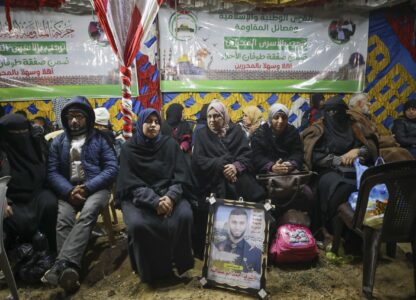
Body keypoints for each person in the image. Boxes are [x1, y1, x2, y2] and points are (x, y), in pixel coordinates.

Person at [42, 96, 118, 292]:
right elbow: (52, 172)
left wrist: (87, 187)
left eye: (79, 116)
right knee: (64, 219)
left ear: (88, 118)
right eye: (70, 117)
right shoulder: (58, 142)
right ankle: (70, 269)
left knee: (89, 212)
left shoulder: (100, 139)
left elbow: (111, 168)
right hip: (68, 190)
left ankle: (61, 264)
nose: (74, 121)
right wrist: (69, 190)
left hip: (96, 189)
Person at [116, 108, 194, 283]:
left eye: (156, 122)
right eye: (148, 121)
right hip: (139, 198)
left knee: (184, 215)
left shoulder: (170, 145)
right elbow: (130, 183)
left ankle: (178, 261)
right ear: (140, 123)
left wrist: (171, 197)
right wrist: (154, 201)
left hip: (168, 193)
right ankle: (153, 271)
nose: (153, 125)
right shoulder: (129, 149)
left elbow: (180, 176)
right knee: (139, 224)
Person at [192, 100, 265, 257]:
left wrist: (235, 167)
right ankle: (210, 252)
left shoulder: (236, 132)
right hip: (211, 180)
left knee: (255, 196)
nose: (212, 120)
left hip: (235, 178)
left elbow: (247, 155)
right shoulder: (202, 135)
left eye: (216, 116)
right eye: (209, 117)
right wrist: (220, 165)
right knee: (203, 207)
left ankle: (248, 250)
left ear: (224, 116)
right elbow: (198, 161)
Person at [302, 96, 377, 237]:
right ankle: (334, 230)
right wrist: (339, 159)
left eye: (337, 111)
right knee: (342, 189)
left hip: (357, 168)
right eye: (329, 112)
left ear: (345, 112)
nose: (333, 115)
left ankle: (362, 231)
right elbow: (315, 156)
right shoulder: (319, 129)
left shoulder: (355, 126)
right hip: (328, 170)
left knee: (367, 186)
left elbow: (370, 147)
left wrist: (357, 152)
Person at [0, 114, 57, 252]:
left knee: (50, 203)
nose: (20, 136)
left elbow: (51, 168)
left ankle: (53, 250)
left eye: (23, 132)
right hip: (12, 199)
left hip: (38, 192)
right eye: (14, 133)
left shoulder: (36, 144)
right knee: (12, 219)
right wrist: (3, 200)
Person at [251, 103, 314, 219]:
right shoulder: (260, 134)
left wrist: (291, 164)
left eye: (284, 118)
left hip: (289, 173)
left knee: (308, 194)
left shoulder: (292, 132)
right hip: (266, 175)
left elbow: (298, 153)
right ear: (270, 118)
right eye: (276, 117)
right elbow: (256, 157)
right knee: (259, 196)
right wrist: (271, 166)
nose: (280, 121)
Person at [348, 93, 414, 162]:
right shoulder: (354, 117)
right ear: (360, 103)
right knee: (397, 152)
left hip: (372, 147)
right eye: (367, 102)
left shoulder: (362, 116)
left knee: (402, 151)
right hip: (366, 150)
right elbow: (369, 139)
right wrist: (391, 140)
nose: (369, 104)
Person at [215, 208, 261, 274]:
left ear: (246, 225)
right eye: (234, 222)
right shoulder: (215, 247)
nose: (237, 227)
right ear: (228, 223)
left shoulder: (257, 254)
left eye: (241, 223)